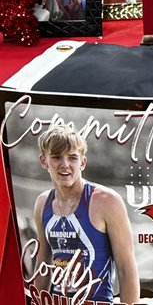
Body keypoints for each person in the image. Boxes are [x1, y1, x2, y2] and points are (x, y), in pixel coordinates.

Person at [32, 125, 139, 304]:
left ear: (82, 162)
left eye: (72, 158)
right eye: (56, 157)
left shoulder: (107, 200)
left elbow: (126, 269)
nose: (64, 164)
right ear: (44, 161)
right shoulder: (42, 204)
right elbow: (43, 265)